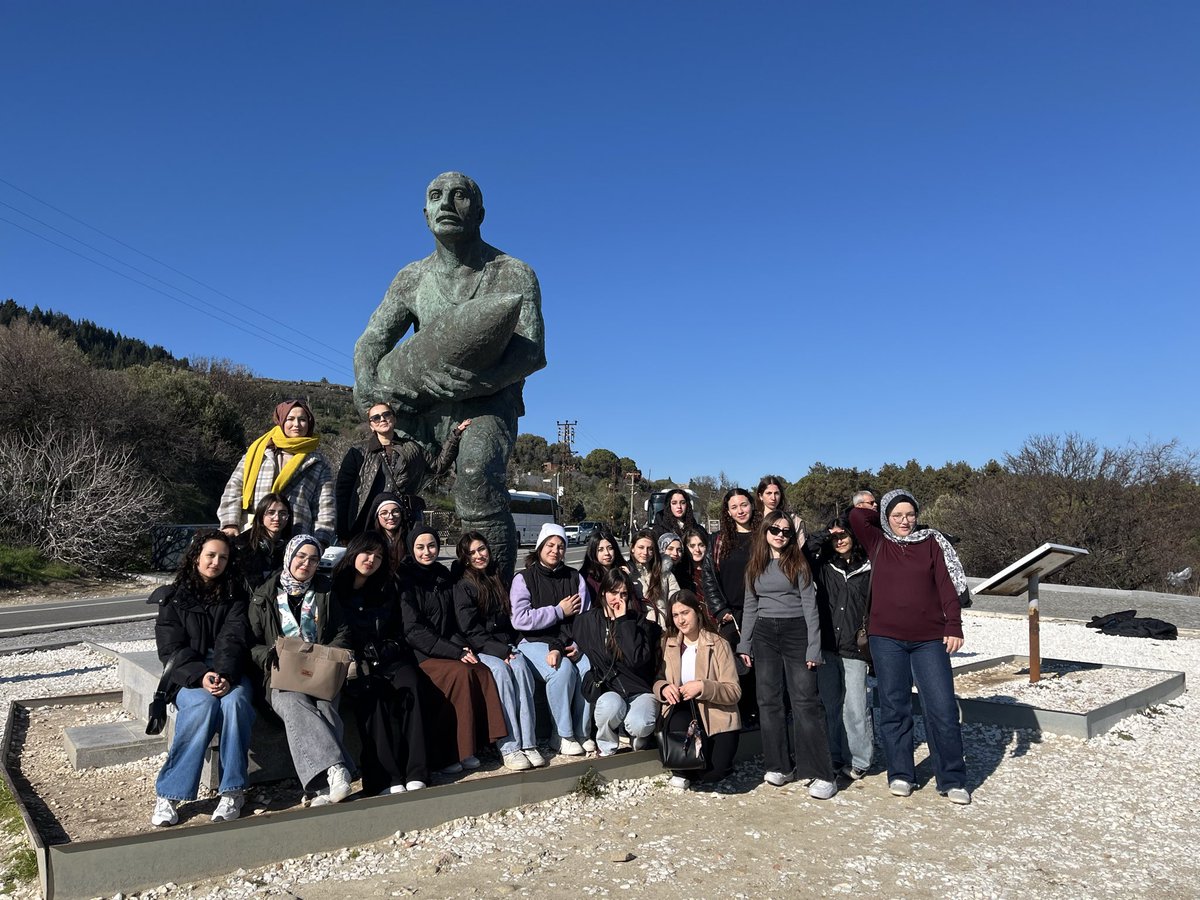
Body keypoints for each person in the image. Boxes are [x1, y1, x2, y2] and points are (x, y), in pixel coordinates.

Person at [354, 172, 547, 578]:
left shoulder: (514, 272)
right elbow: (371, 342)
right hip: (424, 405)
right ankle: (395, 588)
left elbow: (531, 352)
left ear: (479, 212)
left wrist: (479, 383)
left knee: (476, 474)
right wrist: (371, 390)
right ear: (425, 215)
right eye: (436, 197)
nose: (446, 204)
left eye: (459, 196)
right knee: (390, 490)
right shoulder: (410, 278)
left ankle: (492, 593)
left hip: (487, 403)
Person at [850, 489, 971, 805]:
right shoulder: (878, 542)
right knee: (894, 706)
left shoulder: (931, 543)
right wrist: (878, 509)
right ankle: (901, 773)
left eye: (910, 514)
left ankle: (952, 778)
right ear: (886, 517)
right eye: (897, 515)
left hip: (929, 640)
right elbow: (855, 515)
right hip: (886, 639)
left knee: (942, 707)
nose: (905, 521)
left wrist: (954, 626)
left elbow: (947, 588)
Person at [150, 531, 254, 827]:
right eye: (210, 555)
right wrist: (201, 675)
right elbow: (170, 648)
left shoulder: (235, 595)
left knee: (235, 703)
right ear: (196, 557)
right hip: (188, 672)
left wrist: (222, 674)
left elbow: (233, 638)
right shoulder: (173, 597)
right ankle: (169, 794)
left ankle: (233, 790)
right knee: (202, 707)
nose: (216, 562)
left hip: (229, 669)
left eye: (223, 557)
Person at [249, 534, 355, 805]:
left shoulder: (325, 592)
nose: (306, 564)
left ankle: (321, 788)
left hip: (319, 671)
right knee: (293, 702)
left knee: (326, 705)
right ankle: (335, 771)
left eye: (313, 559)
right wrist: (269, 656)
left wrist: (325, 654)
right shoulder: (265, 595)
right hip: (280, 674)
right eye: (301, 556)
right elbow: (251, 642)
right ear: (289, 557)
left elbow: (342, 631)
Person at [738, 513, 838, 800]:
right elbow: (750, 605)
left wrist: (814, 647)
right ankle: (780, 765)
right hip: (765, 634)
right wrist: (745, 644)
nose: (780, 535)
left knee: (805, 701)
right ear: (765, 532)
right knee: (768, 701)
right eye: (775, 529)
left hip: (797, 632)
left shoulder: (799, 565)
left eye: (786, 531)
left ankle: (822, 773)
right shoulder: (754, 567)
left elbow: (811, 608)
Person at [399, 525, 507, 774]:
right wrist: (455, 652)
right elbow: (413, 630)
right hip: (420, 652)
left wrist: (463, 647)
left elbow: (450, 623)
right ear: (411, 548)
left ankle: (472, 745)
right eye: (420, 547)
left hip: (445, 646)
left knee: (479, 669)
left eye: (432, 546)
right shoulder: (406, 579)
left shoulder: (441, 575)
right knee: (459, 674)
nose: (427, 552)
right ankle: (448, 752)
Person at [333, 531, 429, 796]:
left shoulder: (387, 587)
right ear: (354, 551)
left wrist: (385, 651)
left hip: (389, 657)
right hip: (355, 665)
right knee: (372, 698)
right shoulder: (334, 589)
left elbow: (400, 630)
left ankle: (416, 770)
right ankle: (385, 777)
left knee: (412, 685)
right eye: (367, 553)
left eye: (378, 556)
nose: (371, 560)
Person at [453, 531, 547, 770]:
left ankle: (529, 742)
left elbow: (510, 618)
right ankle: (510, 747)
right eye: (472, 552)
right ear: (465, 557)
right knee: (502, 675)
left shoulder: (497, 577)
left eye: (481, 549)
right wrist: (501, 652)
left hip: (505, 644)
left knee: (522, 670)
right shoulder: (463, 585)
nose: (479, 555)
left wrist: (511, 648)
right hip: (481, 648)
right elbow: (470, 629)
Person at [509, 523, 595, 756]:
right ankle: (562, 734)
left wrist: (578, 644)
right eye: (550, 545)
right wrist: (558, 611)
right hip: (533, 642)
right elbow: (520, 619)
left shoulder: (574, 577)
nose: (555, 551)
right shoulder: (523, 578)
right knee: (561, 669)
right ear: (539, 547)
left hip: (569, 641)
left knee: (588, 668)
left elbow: (584, 618)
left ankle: (582, 731)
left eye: (560, 546)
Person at [335, 401, 471, 542]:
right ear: (371, 426)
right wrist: (343, 529)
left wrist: (455, 436)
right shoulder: (358, 452)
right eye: (376, 417)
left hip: (403, 521)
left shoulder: (411, 447)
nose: (382, 419)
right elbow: (342, 492)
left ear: (394, 418)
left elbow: (438, 466)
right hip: (367, 522)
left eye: (386, 414)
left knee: (401, 560)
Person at [653, 589, 742, 789]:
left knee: (713, 774)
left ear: (697, 612)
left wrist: (703, 686)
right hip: (682, 710)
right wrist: (665, 688)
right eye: (675, 615)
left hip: (716, 713)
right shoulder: (668, 644)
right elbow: (658, 680)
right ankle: (681, 769)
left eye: (685, 613)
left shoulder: (718, 643)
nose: (680, 620)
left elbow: (734, 691)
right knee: (684, 765)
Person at [807, 516, 874, 780]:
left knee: (856, 706)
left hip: (854, 646)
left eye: (844, 534)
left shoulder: (869, 567)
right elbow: (805, 552)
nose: (840, 540)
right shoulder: (823, 566)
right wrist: (824, 533)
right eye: (835, 537)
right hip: (826, 646)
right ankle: (834, 755)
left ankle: (860, 759)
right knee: (830, 705)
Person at [218, 400, 336, 548]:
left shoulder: (318, 462)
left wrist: (321, 541)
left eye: (302, 420)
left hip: (295, 539)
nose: (297, 424)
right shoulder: (258, 451)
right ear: (281, 421)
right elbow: (234, 488)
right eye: (290, 419)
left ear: (309, 423)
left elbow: (325, 505)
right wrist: (230, 524)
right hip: (251, 534)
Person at [573, 568, 663, 757]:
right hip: (610, 688)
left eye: (623, 594)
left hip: (640, 689)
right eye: (614, 592)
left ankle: (637, 737)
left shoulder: (639, 623)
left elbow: (635, 658)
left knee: (640, 724)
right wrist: (558, 647)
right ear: (604, 592)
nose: (618, 599)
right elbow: (566, 633)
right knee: (609, 707)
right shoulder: (588, 620)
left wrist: (623, 621)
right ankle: (606, 747)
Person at [701, 488, 760, 724]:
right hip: (730, 615)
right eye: (734, 507)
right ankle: (740, 715)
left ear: (752, 505)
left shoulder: (762, 535)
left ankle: (759, 715)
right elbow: (708, 577)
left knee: (759, 666)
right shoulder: (718, 540)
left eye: (743, 505)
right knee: (735, 667)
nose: (740, 511)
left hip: (761, 611)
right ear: (727, 511)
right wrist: (720, 610)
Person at [232, 493, 293, 592]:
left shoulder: (293, 547)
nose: (277, 518)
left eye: (282, 513)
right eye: (271, 512)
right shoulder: (240, 545)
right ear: (261, 516)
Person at [628, 529, 678, 627]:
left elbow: (676, 598)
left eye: (650, 549)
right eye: (641, 547)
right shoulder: (627, 573)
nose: (645, 552)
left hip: (664, 626)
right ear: (632, 548)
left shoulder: (665, 572)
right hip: (639, 627)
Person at [579, 529, 630, 600]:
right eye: (600, 550)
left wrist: (628, 579)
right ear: (593, 552)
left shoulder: (623, 571)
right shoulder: (586, 578)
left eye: (610, 548)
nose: (607, 553)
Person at [366, 491, 409, 569]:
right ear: (377, 517)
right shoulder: (369, 541)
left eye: (395, 511)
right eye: (384, 513)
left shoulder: (408, 538)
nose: (391, 517)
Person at [681, 527, 709, 604]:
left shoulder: (713, 571)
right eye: (692, 546)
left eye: (701, 545)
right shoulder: (681, 573)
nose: (697, 549)